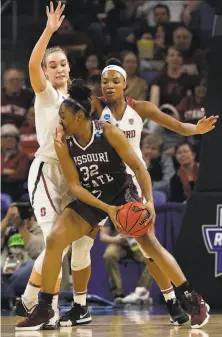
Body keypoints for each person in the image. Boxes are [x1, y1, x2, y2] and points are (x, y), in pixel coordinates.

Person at [16, 81, 211, 331]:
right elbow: (75, 187)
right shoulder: (63, 141)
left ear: (79, 116)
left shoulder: (108, 132)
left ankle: (193, 300)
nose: (60, 122)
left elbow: (140, 168)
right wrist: (107, 210)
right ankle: (44, 308)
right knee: (54, 239)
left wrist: (148, 201)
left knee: (150, 245)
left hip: (121, 192)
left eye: (63, 117)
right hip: (93, 196)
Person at [59, 57, 217, 328]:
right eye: (104, 81)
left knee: (148, 248)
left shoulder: (140, 108)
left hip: (131, 181)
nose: (108, 86)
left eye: (115, 81)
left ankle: (175, 301)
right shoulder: (96, 107)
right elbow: (71, 105)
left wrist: (196, 129)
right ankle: (79, 306)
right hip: (99, 180)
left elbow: (176, 126)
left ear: (126, 84)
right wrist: (62, 78)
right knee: (81, 244)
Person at [14, 1, 72, 330]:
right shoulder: (46, 94)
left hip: (70, 178)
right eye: (53, 65)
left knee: (61, 247)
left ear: (69, 67)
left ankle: (31, 297)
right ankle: (46, 308)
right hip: (46, 172)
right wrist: (49, 31)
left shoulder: (77, 102)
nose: (59, 68)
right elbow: (32, 63)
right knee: (54, 241)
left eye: (63, 63)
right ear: (47, 73)